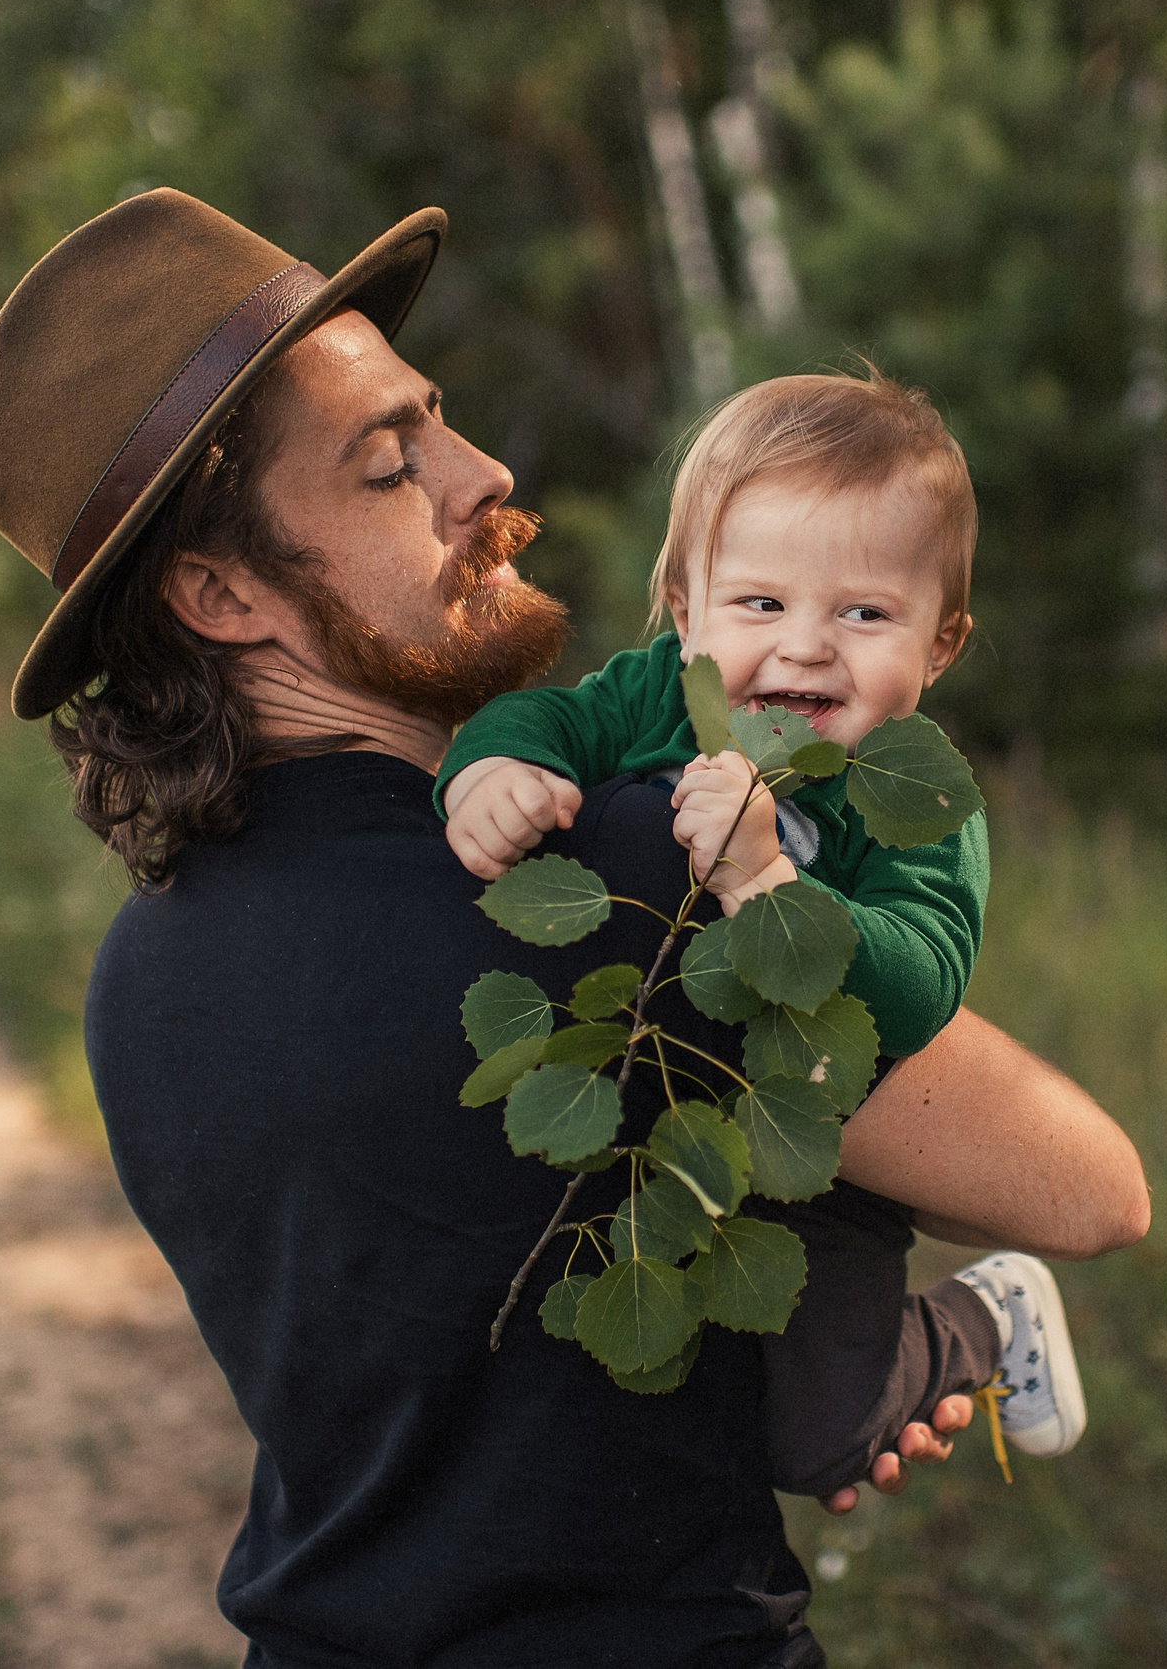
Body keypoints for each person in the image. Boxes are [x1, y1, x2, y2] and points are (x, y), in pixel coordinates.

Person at [0, 186, 1149, 1667]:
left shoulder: (140, 975)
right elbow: (1090, 1191)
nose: (484, 471)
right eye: (394, 464)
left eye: (437, 418)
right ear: (217, 589)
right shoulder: (628, 877)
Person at [436, 369, 1083, 1497]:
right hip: (666, 1108)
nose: (806, 648)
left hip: (818, 1146)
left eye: (865, 612)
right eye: (760, 604)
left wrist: (769, 881)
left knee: (818, 1441)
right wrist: (494, 769)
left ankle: (982, 1315)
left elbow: (923, 984)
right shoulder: (655, 694)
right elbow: (542, 713)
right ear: (686, 613)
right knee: (670, 1392)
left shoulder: (915, 797)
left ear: (942, 644)